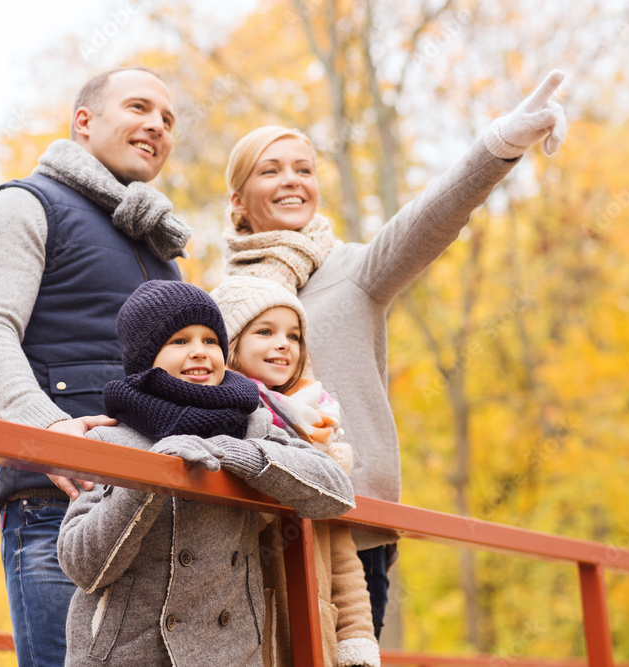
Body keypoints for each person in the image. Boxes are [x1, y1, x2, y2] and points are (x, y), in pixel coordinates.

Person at [220, 71, 569, 638]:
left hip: (353, 524)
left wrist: (503, 141)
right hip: (249, 525)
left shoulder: (355, 271)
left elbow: (431, 216)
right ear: (238, 199)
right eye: (271, 169)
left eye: (304, 169)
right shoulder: (218, 300)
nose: (292, 181)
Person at [0, 67, 189, 665]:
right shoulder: (24, 204)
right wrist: (49, 428)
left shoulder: (162, 250)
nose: (157, 125)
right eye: (139, 107)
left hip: (157, 507)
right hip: (60, 506)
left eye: (168, 119)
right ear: (84, 122)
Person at [57, 280, 355, 666]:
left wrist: (239, 454)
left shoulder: (253, 425)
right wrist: (153, 474)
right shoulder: (109, 438)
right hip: (128, 653)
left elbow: (335, 491)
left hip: (233, 652)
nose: (200, 351)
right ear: (145, 357)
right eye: (179, 341)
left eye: (211, 340)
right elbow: (83, 566)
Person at [212, 275, 381, 667]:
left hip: (311, 627)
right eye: (265, 331)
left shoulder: (320, 431)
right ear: (230, 345)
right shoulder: (220, 421)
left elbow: (341, 551)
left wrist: (356, 637)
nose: (284, 343)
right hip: (244, 629)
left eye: (294, 335)